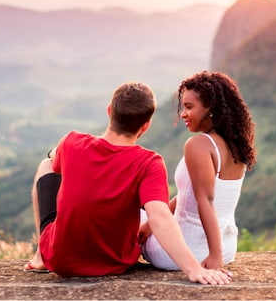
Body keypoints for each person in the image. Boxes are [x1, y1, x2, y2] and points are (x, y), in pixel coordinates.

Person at [24, 81, 232, 285]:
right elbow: (159, 216)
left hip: (61, 261)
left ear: (109, 111)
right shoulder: (149, 162)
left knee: (46, 165)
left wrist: (62, 155)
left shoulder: (71, 142)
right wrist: (193, 268)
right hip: (116, 261)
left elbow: (54, 160)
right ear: (146, 125)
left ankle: (41, 256)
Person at [140, 71, 256, 270]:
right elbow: (189, 194)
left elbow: (206, 200)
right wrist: (151, 223)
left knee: (131, 211)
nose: (182, 114)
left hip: (186, 250)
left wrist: (214, 256)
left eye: (189, 107)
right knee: (149, 216)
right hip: (227, 247)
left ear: (210, 108)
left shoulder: (199, 145)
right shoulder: (236, 144)